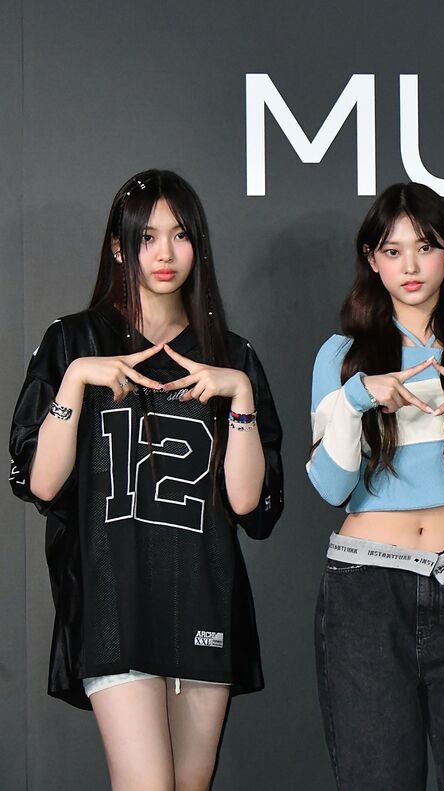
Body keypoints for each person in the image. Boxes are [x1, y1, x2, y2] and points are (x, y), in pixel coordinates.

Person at [9, 169, 283, 790]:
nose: (164, 253)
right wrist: (75, 381)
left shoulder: (232, 356)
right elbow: (41, 483)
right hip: (115, 602)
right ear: (118, 246)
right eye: (147, 236)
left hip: (204, 595)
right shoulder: (74, 341)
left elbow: (249, 504)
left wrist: (240, 395)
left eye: (180, 235)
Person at [308, 182, 444, 790]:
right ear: (372, 260)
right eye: (392, 250)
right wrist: (357, 398)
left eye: (425, 247)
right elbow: (330, 487)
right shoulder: (343, 356)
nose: (410, 265)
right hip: (365, 587)